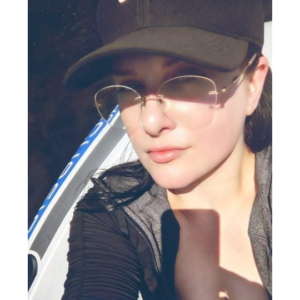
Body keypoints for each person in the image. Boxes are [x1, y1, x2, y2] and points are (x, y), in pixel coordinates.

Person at [62, 0, 272, 299]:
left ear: (253, 82)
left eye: (185, 80)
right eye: (128, 86)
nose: (149, 122)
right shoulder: (111, 210)